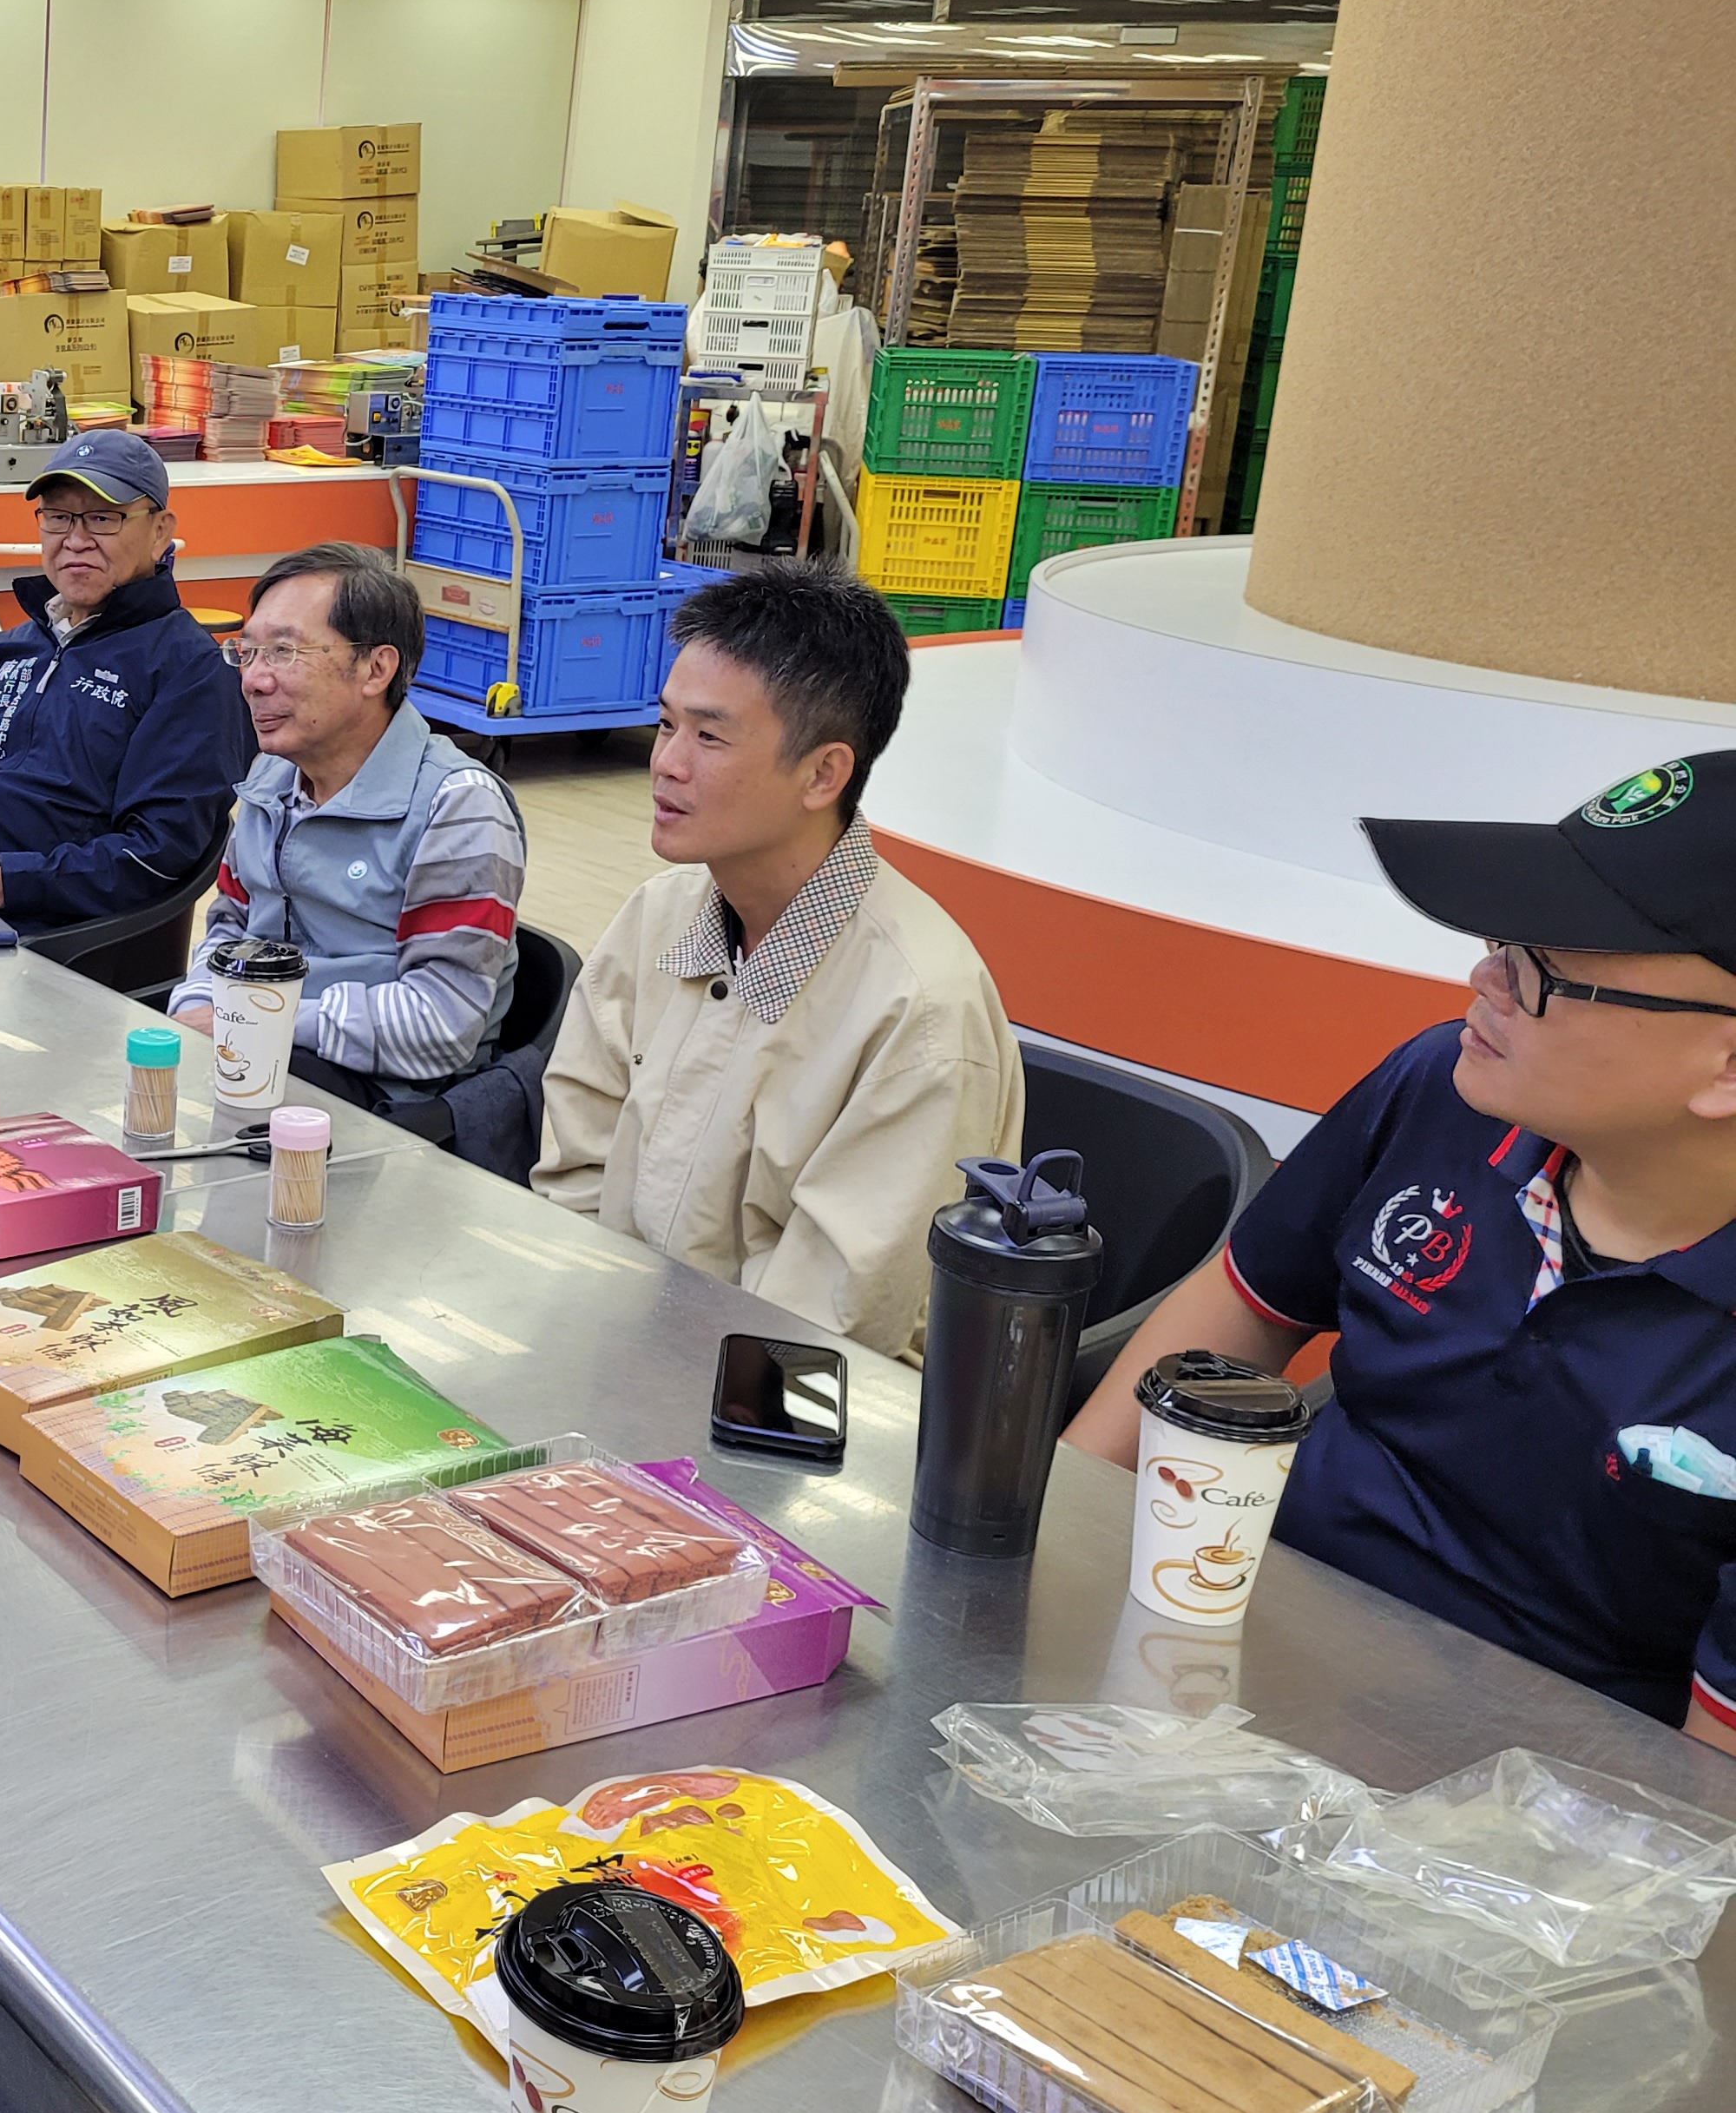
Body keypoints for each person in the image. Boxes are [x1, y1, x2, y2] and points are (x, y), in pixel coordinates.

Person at [1064, 754, 1736, 1753]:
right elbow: (1244, 1303)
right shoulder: (1442, 1092)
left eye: (1547, 971)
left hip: (1527, 1785)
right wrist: (1058, 1528)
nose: (1486, 979)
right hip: (1232, 1634)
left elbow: (1707, 1793)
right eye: (1503, 940)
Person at [534, 562, 1020, 1361]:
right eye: (666, 724)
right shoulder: (658, 917)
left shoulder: (919, 1012)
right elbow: (573, 1175)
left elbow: (827, 1327)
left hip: (797, 1406)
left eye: (709, 736)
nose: (667, 763)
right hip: (614, 1349)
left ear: (824, 773)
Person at [169, 544, 527, 1116]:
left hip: (384, 1100)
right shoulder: (272, 778)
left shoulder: (458, 806)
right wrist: (193, 1009)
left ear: (376, 669)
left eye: (284, 651)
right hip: (260, 1054)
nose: (253, 679)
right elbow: (229, 929)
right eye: (248, 651)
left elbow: (443, 1022)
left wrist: (251, 1021)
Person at [0, 430, 251, 924]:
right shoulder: (10, 647)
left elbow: (161, 851)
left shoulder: (190, 671)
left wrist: (0, 886)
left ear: (160, 532)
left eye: (103, 518)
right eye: (58, 518)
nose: (75, 541)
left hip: (48, 927)